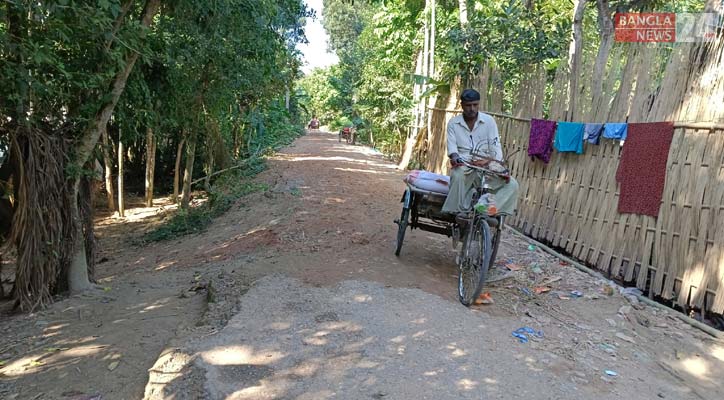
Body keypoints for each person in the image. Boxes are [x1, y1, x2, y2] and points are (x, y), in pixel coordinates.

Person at [441, 88, 519, 217]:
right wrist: (455, 157)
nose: (472, 108)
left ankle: (486, 211)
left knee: (512, 184)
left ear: (478, 104)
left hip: (487, 166)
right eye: (468, 105)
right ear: (462, 105)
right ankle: (458, 212)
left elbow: (495, 147)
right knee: (458, 175)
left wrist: (493, 163)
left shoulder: (489, 121)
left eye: (475, 105)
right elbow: (452, 149)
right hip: (465, 165)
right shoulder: (453, 124)